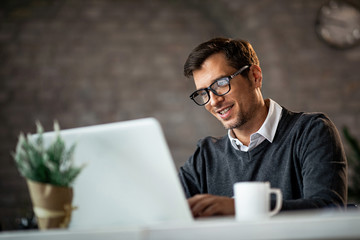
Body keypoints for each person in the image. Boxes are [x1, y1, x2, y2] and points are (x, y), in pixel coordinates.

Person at [179, 37, 347, 218]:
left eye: (221, 84)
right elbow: (167, 211)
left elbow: (328, 209)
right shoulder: (205, 156)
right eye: (203, 93)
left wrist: (240, 208)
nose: (214, 101)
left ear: (255, 76)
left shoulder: (311, 131)